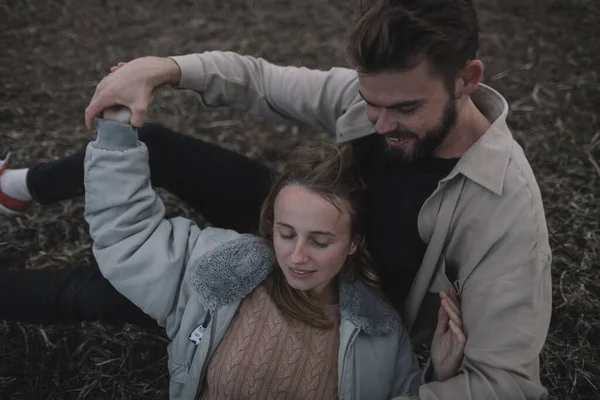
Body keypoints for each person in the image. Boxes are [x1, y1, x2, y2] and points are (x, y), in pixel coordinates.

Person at [0, 0, 552, 398]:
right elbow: (259, 81)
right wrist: (161, 69)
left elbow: (504, 383)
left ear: (466, 78)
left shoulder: (504, 207)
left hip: (351, 304)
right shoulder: (382, 99)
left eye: (404, 109)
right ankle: (18, 187)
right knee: (157, 145)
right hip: (307, 230)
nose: (380, 124)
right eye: (369, 103)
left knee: (92, 289)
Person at [84, 105, 466, 399]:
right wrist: (117, 133)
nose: (297, 256)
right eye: (286, 234)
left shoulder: (378, 332)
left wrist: (439, 375)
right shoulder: (217, 272)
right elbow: (127, 236)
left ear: (353, 243)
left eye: (319, 241)